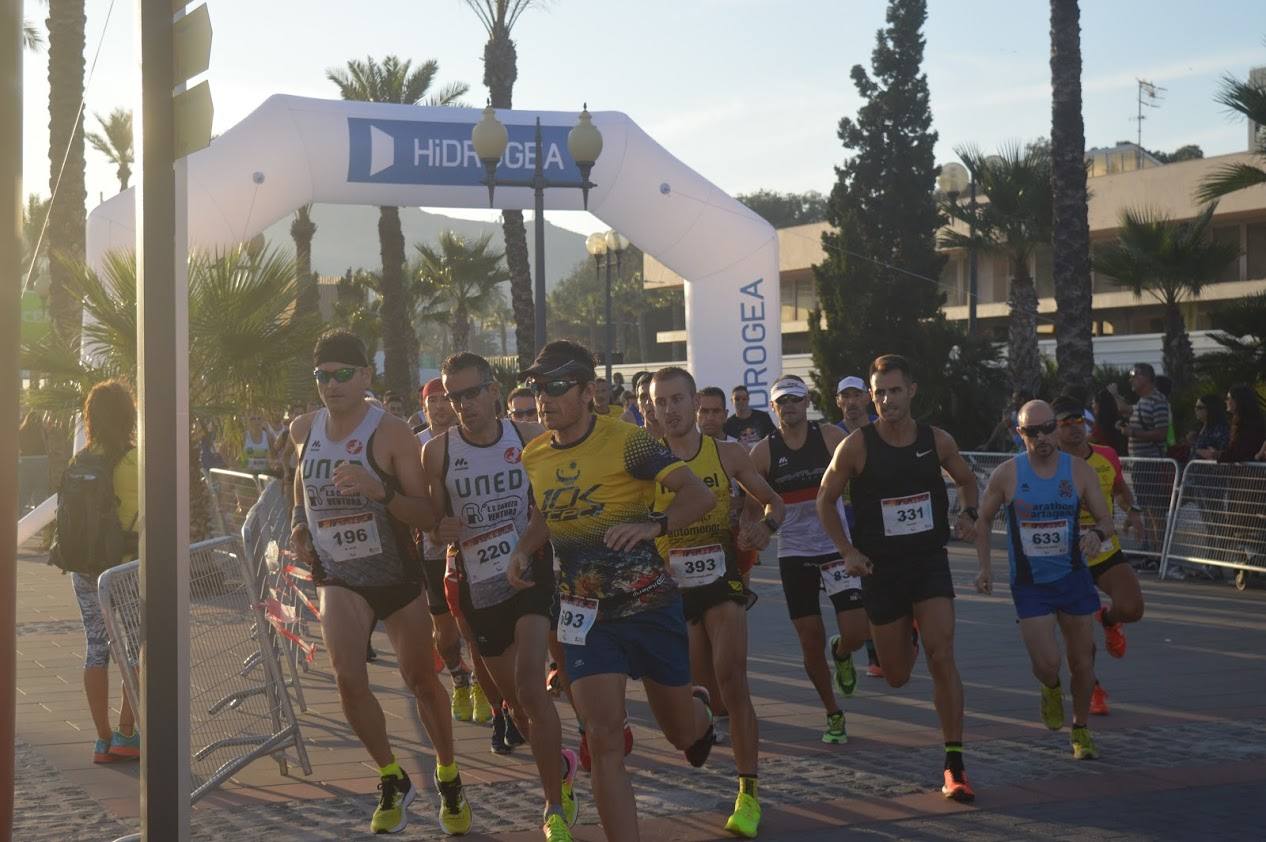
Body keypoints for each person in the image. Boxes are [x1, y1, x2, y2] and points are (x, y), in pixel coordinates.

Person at [518, 341, 717, 842]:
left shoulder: (628, 441)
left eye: (558, 386)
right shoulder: (534, 455)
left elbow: (699, 494)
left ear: (588, 392)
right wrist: (523, 549)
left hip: (649, 605)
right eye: (539, 388)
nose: (545, 398)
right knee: (603, 737)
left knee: (681, 734)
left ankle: (699, 709)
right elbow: (546, 512)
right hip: (586, 616)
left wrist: (655, 525)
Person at [289, 331, 471, 835]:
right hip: (338, 573)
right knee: (348, 678)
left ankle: (449, 774)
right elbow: (300, 485)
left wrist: (380, 489)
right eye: (323, 375)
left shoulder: (390, 434)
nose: (332, 384)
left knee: (419, 680)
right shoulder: (304, 428)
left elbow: (428, 515)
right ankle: (392, 776)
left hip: (395, 573)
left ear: (366, 376)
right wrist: (297, 526)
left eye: (343, 374)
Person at [424, 353, 579, 840]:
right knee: (516, 706)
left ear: (493, 390)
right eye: (454, 397)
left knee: (534, 689)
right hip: (478, 587)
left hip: (529, 579)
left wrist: (525, 548)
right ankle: (562, 767)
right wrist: (437, 526)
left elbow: (551, 509)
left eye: (471, 393)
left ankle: (553, 807)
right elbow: (430, 528)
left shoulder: (529, 439)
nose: (463, 405)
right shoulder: (438, 453)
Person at [815, 354, 981, 802]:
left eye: (895, 390)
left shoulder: (936, 440)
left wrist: (968, 512)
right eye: (879, 392)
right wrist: (847, 551)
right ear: (872, 397)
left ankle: (954, 763)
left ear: (912, 391)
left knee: (941, 653)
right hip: (880, 570)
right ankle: (873, 639)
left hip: (928, 561)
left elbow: (968, 481)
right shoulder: (857, 445)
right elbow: (824, 501)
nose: (887, 400)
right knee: (896, 676)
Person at [651, 367, 785, 838]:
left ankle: (748, 794)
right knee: (697, 692)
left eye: (677, 400)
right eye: (660, 402)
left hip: (721, 579)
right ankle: (703, 722)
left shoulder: (726, 454)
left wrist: (762, 530)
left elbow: (775, 504)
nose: (670, 410)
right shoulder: (644, 462)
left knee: (734, 681)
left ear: (695, 403)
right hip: (671, 590)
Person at [974, 400, 1116, 760]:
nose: (1043, 437)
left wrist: (1097, 535)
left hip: (1073, 578)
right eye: (1032, 431)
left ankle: (1081, 729)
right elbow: (982, 520)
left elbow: (1106, 518)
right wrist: (984, 568)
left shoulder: (1079, 471)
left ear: (1057, 427)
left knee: (1083, 662)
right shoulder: (1007, 474)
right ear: (1019, 434)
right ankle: (1051, 687)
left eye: (1048, 428)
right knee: (1048, 663)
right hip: (1030, 585)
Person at [750, 376, 862, 744]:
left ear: (808, 401)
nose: (790, 407)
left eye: (796, 399)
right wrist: (755, 529)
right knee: (809, 639)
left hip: (835, 546)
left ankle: (842, 651)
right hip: (795, 552)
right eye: (783, 402)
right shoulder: (763, 452)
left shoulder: (829, 437)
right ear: (773, 408)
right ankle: (833, 712)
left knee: (857, 632)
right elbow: (751, 503)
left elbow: (861, 475)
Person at [1052, 396, 1146, 716]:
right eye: (1065, 424)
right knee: (1079, 636)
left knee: (1132, 608)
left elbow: (1120, 488)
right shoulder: (1047, 462)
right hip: (1067, 556)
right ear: (1053, 429)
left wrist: (1131, 510)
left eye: (1078, 421)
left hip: (1104, 548)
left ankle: (1108, 619)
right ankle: (1092, 688)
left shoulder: (1105, 455)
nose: (1074, 429)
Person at [68, 381, 140, 764]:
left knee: (96, 647)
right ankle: (128, 733)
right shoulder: (135, 462)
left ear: (90, 417)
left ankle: (101, 739)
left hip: (84, 569)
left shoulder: (80, 461)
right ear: (129, 416)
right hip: (126, 568)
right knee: (139, 645)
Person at [416, 377, 492, 723]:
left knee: (472, 629)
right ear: (425, 408)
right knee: (445, 638)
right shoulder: (413, 444)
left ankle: (480, 684)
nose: (440, 407)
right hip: (432, 554)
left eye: (445, 400)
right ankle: (459, 678)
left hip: (470, 548)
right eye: (433, 402)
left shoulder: (471, 441)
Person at [832, 376, 884, 678]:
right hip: (847, 529)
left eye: (855, 395)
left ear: (867, 397)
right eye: (845, 396)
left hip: (883, 521)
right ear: (838, 401)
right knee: (863, 591)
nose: (851, 402)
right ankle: (872, 652)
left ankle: (896, 636)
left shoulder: (882, 428)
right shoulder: (831, 435)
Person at [1222, 383, 1266, 463]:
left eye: (1228, 398)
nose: (1226, 401)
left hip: (1251, 472)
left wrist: (1215, 454)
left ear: (1237, 401)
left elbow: (1238, 453)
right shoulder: (1240, 421)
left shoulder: (1250, 424)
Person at [1191, 393, 1230, 460]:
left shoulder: (1220, 430)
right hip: (1193, 469)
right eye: (1195, 407)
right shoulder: (1201, 428)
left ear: (1210, 408)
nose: (1196, 410)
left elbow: (1218, 453)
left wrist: (1197, 451)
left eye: (1199, 407)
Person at [1089, 389, 1127, 456]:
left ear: (1099, 404)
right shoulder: (1118, 418)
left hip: (1104, 459)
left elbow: (1092, 438)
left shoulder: (1099, 423)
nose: (1092, 406)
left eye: (1093, 403)